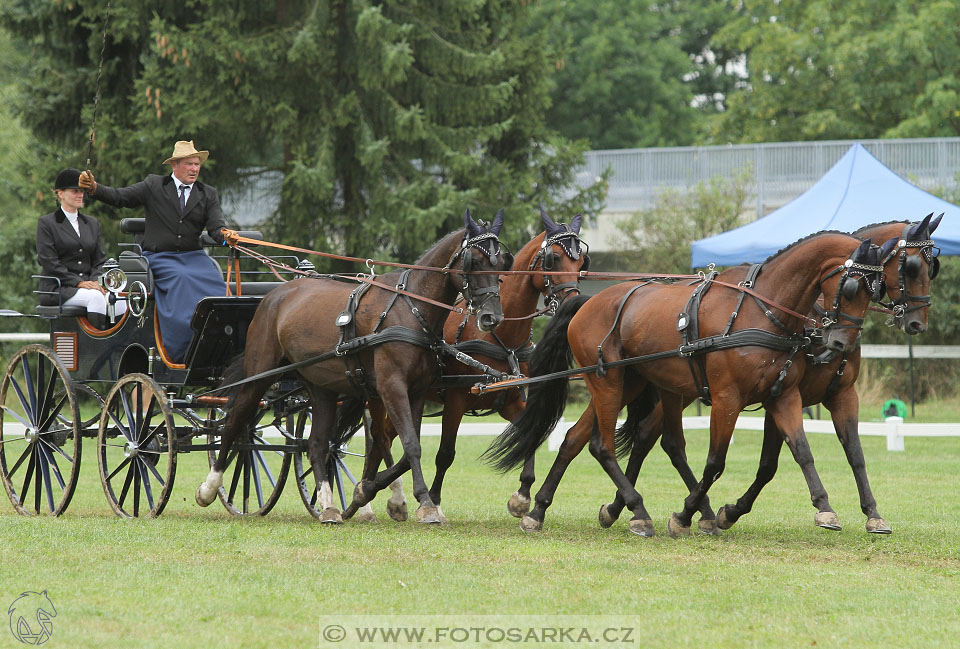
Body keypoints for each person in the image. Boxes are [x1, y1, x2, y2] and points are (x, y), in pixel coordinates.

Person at [78, 141, 238, 362]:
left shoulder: (207, 193)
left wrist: (226, 235)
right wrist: (95, 188)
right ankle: (184, 343)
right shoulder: (154, 185)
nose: (194, 169)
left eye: (197, 164)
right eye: (189, 164)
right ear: (175, 165)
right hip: (161, 257)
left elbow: (216, 227)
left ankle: (219, 335)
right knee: (181, 278)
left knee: (213, 279)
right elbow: (120, 197)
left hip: (194, 257)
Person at [36, 168, 126, 330]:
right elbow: (49, 262)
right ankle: (95, 349)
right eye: (75, 191)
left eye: (82, 191)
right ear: (60, 193)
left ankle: (118, 348)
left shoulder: (91, 223)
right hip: (59, 288)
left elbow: (100, 260)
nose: (80, 195)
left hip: (90, 286)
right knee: (96, 298)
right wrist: (78, 283)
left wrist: (95, 281)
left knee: (119, 299)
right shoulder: (47, 224)